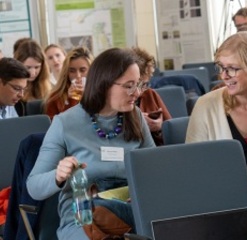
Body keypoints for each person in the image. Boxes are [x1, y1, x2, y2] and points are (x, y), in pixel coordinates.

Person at [26, 47, 156, 240]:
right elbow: (34, 187)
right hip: (84, 217)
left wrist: (144, 192)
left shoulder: (135, 116)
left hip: (132, 211)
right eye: (129, 86)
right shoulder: (65, 123)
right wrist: (58, 175)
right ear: (104, 85)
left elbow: (153, 169)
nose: (137, 93)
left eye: (139, 84)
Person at [186, 31, 247, 240]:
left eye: (232, 69)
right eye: (221, 67)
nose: (223, 75)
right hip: (224, 201)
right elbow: (192, 168)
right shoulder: (206, 105)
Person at [132, 46, 171, 146]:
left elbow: (172, 133)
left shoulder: (150, 95)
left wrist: (159, 129)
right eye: (134, 85)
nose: (138, 92)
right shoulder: (116, 102)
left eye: (144, 85)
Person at [44, 46, 93, 120]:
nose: (78, 75)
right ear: (67, 73)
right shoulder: (55, 98)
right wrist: (72, 100)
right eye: (72, 71)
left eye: (82, 70)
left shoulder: (101, 93)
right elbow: (56, 127)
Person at [13, 39, 51, 115]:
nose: (33, 73)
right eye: (28, 67)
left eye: (37, 67)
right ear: (18, 65)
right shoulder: (11, 89)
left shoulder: (48, 87)